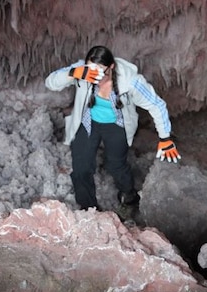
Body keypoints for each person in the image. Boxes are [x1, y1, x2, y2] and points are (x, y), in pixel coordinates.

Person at [45, 45, 179, 212]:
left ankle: (129, 196)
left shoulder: (130, 82)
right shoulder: (82, 71)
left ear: (112, 67)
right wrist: (72, 73)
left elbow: (156, 105)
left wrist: (165, 138)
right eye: (91, 69)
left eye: (101, 71)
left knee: (116, 165)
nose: (96, 75)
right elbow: (51, 83)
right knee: (81, 168)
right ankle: (89, 210)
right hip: (88, 121)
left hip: (117, 124)